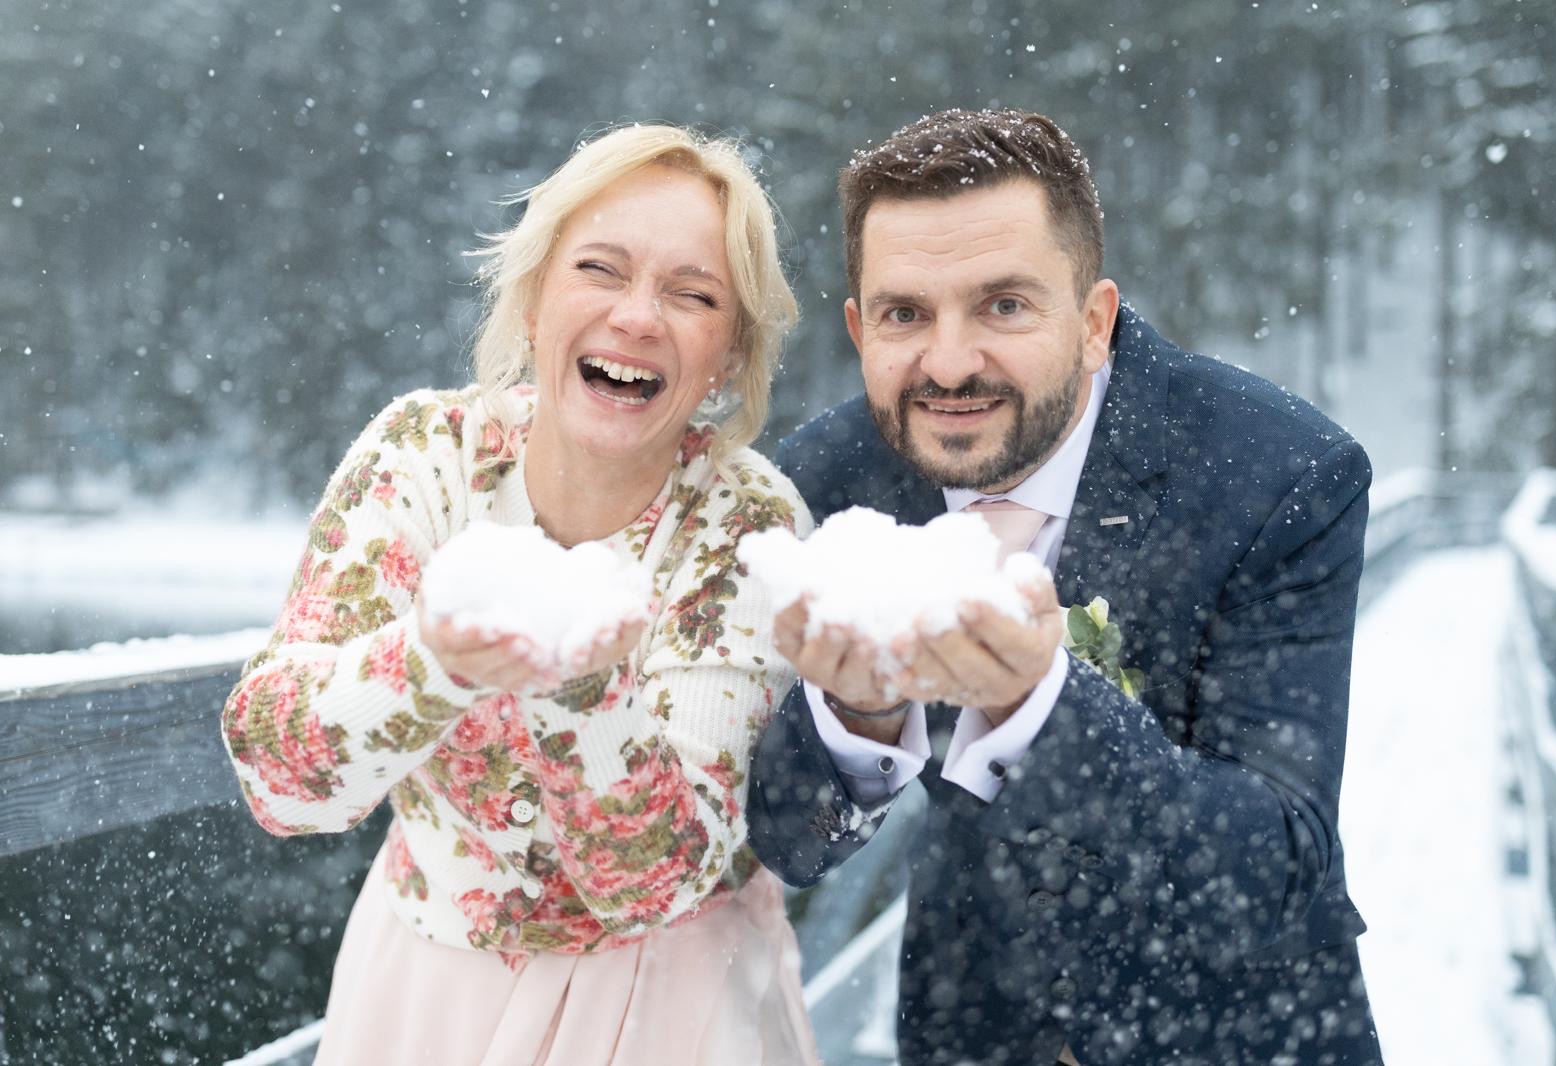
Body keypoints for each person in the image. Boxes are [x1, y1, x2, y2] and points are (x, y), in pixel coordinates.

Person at [745, 109, 1383, 1065]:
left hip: (1238, 1037)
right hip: (973, 1026)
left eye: (1004, 306)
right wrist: (858, 719)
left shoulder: (1279, 478)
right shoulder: (824, 480)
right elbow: (791, 844)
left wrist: (1039, 704)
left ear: (1093, 322)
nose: (950, 363)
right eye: (905, 313)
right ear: (856, 325)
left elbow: (1280, 864)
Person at [221, 124, 820, 1066]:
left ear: (730, 355)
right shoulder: (422, 453)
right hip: (421, 1000)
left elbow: (652, 881)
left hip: (671, 1004)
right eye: (601, 269)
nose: (636, 316)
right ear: (535, 297)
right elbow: (281, 784)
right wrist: (435, 663)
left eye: (692, 294)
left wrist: (579, 685)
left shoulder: (747, 522)